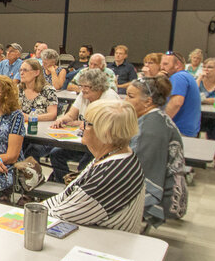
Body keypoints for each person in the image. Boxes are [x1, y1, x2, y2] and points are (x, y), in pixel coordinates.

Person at [46, 100, 145, 233]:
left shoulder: (110, 174)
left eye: (87, 124)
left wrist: (32, 212)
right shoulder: (113, 156)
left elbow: (61, 215)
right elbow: (66, 195)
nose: (81, 128)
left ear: (106, 132)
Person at [126, 76, 188, 226]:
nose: (125, 101)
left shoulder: (151, 129)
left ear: (148, 101)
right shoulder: (155, 117)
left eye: (130, 96)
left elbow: (140, 172)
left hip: (166, 199)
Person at [48, 69, 119, 183]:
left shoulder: (109, 97)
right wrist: (62, 120)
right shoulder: (83, 94)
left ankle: (78, 187)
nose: (83, 89)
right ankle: (66, 185)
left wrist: (80, 123)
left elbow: (105, 125)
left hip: (101, 145)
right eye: (81, 86)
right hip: (82, 140)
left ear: (98, 87)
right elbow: (71, 115)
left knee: (84, 165)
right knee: (56, 154)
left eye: (87, 86)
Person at [160, 52, 200, 137]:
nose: (162, 67)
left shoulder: (178, 77)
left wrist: (160, 124)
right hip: (188, 130)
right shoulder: (186, 76)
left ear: (177, 65)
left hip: (178, 131)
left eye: (165, 64)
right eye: (161, 64)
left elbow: (176, 103)